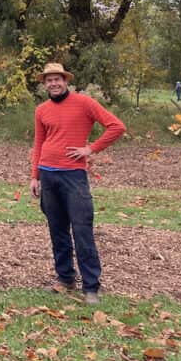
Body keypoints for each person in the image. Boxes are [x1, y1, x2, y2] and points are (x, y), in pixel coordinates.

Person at [31, 63, 125, 305]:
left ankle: (91, 287)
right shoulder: (41, 110)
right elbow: (39, 143)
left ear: (65, 81)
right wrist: (35, 176)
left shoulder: (84, 103)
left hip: (74, 176)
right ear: (45, 84)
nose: (53, 83)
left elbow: (116, 126)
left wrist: (90, 149)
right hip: (48, 174)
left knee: (82, 230)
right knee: (57, 230)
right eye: (49, 80)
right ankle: (65, 279)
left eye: (57, 79)